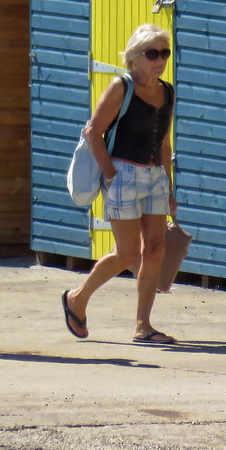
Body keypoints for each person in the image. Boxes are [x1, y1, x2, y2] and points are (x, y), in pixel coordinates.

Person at [62, 23, 177, 344]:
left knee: (155, 250)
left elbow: (164, 143)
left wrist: (169, 188)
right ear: (135, 57)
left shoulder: (167, 91)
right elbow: (93, 132)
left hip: (154, 177)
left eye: (164, 53)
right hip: (123, 174)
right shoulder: (121, 87)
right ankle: (77, 298)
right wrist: (111, 176)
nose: (159, 59)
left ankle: (143, 326)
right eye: (152, 53)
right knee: (127, 254)